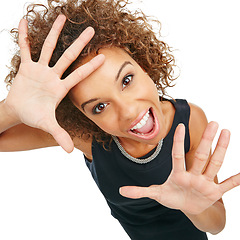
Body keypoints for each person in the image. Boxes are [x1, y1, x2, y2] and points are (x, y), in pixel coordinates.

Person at [0, 0, 239, 239]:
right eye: (100, 106)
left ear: (143, 64)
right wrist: (11, 109)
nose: (127, 111)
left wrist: (195, 208)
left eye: (126, 80)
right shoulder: (85, 137)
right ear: (80, 116)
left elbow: (216, 225)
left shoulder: (189, 122)